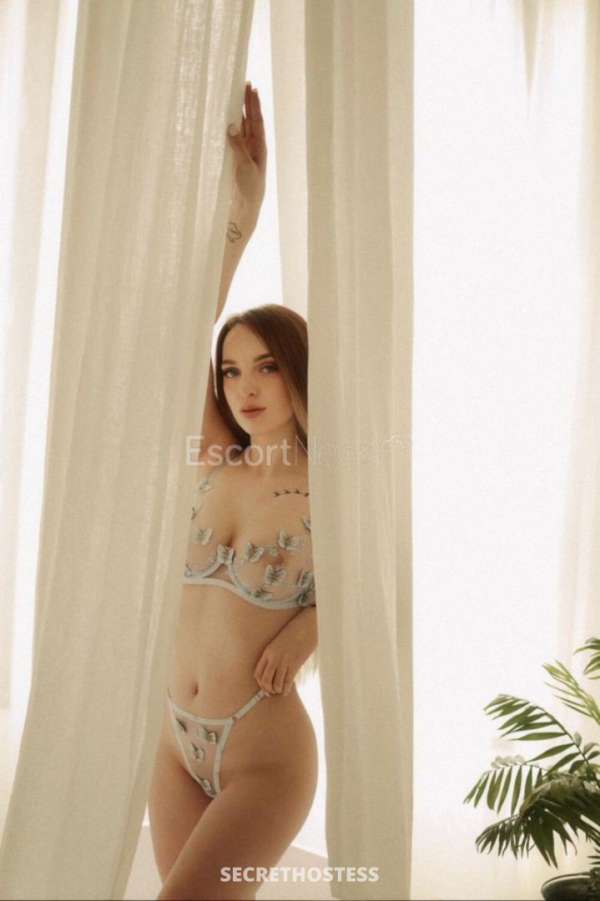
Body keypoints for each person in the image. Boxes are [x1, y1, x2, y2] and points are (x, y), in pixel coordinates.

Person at [148, 81, 319, 901]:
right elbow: (174, 332)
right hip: (174, 742)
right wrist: (238, 223)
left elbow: (382, 590)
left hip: (263, 754)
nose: (245, 386)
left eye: (267, 366)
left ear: (298, 372)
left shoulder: (333, 484)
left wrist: (309, 628)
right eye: (231, 369)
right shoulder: (213, 455)